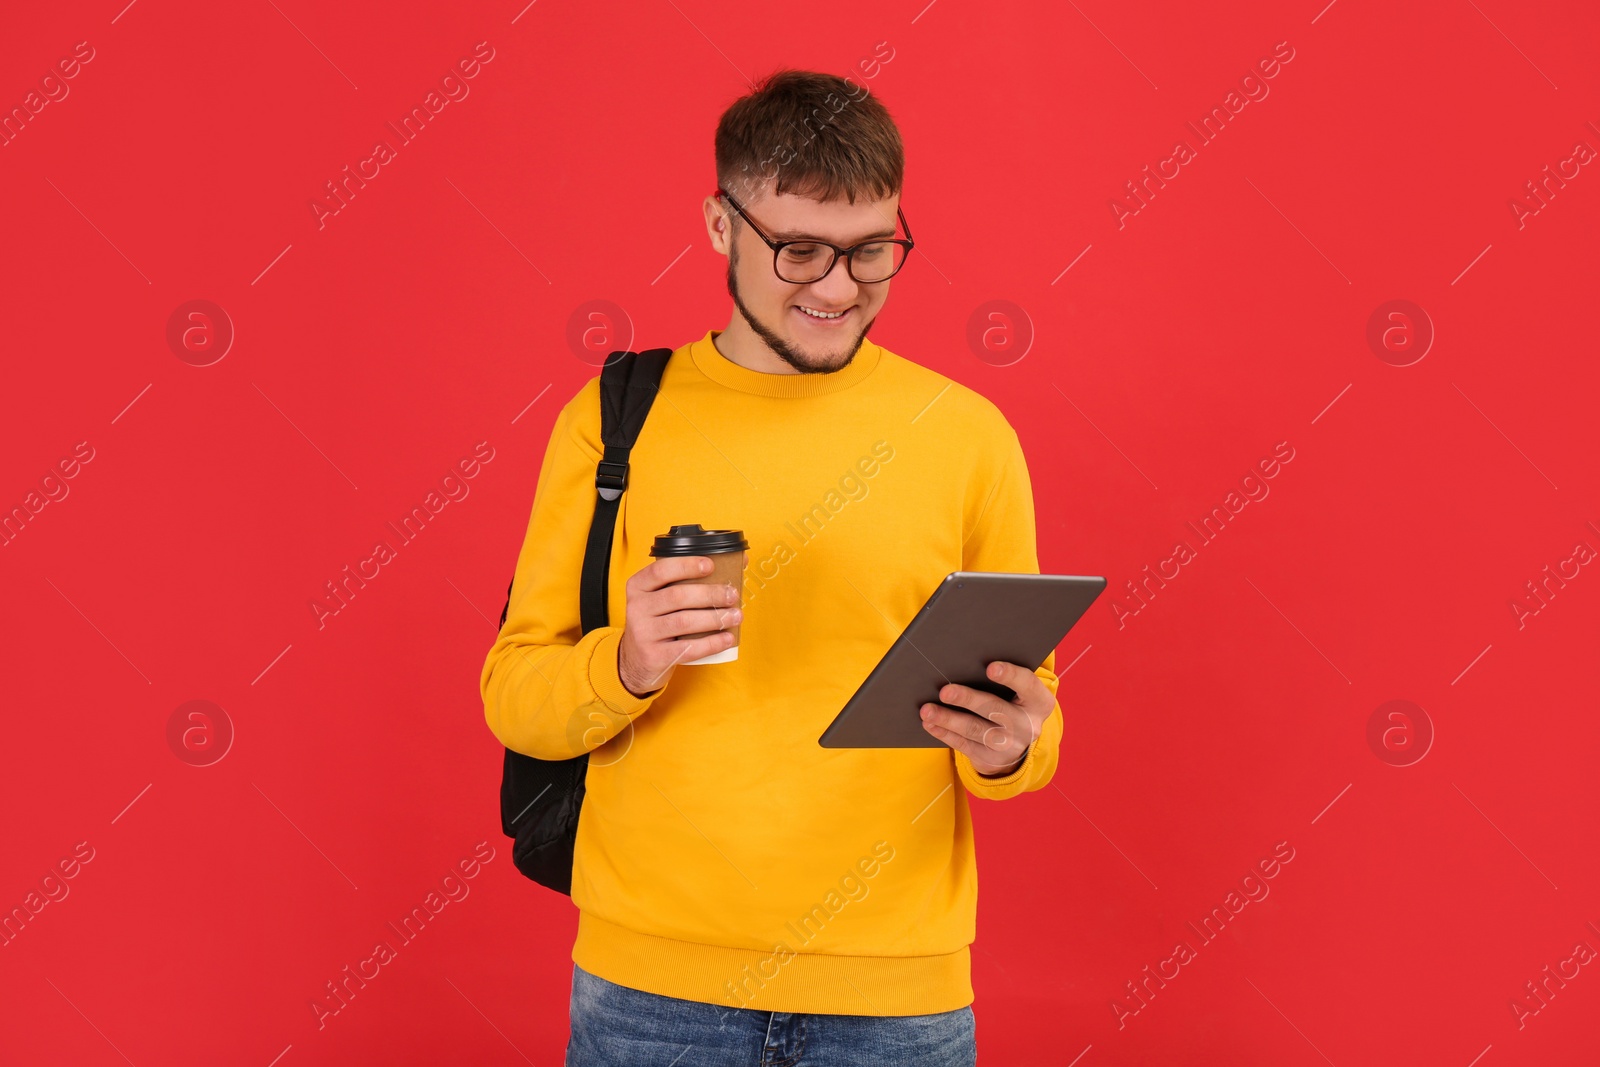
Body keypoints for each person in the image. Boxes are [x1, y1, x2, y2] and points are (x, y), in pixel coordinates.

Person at [480, 67, 1064, 1067]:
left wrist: (1015, 742)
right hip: (652, 993)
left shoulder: (967, 436)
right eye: (797, 249)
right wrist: (626, 662)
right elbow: (515, 697)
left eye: (871, 249)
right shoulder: (618, 419)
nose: (837, 287)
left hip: (896, 996)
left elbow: (1024, 719)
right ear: (720, 227)